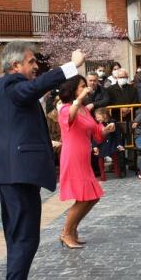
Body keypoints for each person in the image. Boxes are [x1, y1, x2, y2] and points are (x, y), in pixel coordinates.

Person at [0, 41, 85, 280]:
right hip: (18, 174)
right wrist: (70, 66)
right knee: (25, 238)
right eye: (30, 62)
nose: (35, 66)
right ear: (15, 66)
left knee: (17, 237)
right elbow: (33, 88)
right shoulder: (13, 86)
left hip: (11, 172)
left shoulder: (1, 86)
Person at [57, 76, 115, 249]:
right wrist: (80, 98)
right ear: (74, 90)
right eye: (82, 86)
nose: (87, 88)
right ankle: (66, 233)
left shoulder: (84, 109)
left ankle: (72, 230)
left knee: (93, 197)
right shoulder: (66, 108)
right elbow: (68, 120)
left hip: (84, 157)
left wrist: (105, 130)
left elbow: (96, 133)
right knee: (83, 198)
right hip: (72, 156)